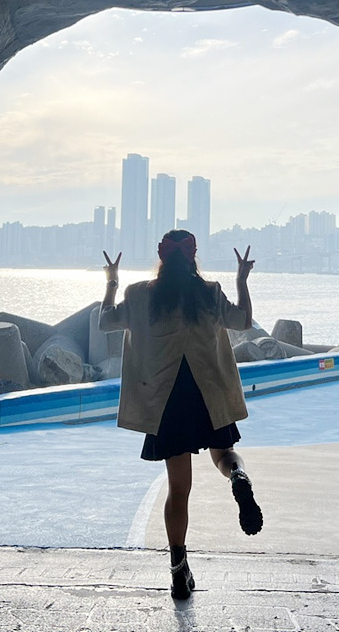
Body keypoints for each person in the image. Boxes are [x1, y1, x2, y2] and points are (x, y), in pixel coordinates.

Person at [99, 230, 262, 600]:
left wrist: (112, 282)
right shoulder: (209, 293)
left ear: (161, 257)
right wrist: (241, 280)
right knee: (224, 455)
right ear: (193, 256)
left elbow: (105, 321)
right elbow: (244, 321)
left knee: (178, 489)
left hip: (167, 401)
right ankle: (238, 476)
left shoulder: (139, 295)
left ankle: (178, 571)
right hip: (208, 394)